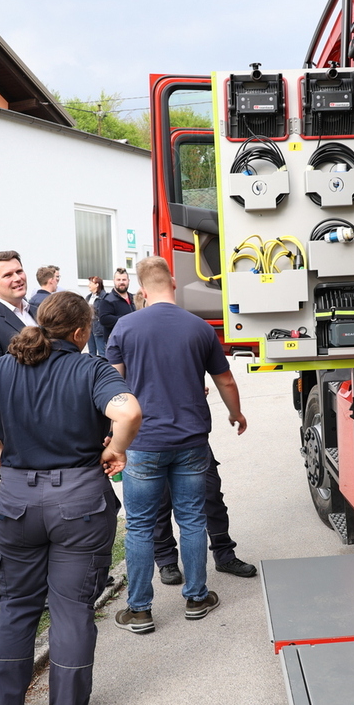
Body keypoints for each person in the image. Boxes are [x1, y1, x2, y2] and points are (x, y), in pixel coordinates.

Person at [0, 291, 141, 705]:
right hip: (79, 502)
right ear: (81, 332)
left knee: (15, 608)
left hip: (18, 502)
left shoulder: (4, 367)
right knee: (71, 609)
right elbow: (128, 411)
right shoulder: (92, 370)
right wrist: (116, 448)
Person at [106, 256, 246, 634]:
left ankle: (139, 610)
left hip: (142, 442)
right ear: (173, 281)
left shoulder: (124, 327)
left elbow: (113, 387)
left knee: (139, 527)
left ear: (141, 288)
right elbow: (225, 380)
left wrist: (114, 436)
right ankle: (197, 598)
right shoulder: (199, 327)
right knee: (193, 519)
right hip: (190, 440)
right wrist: (236, 414)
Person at [154, 450, 256, 585]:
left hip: (193, 442)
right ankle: (166, 560)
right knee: (160, 502)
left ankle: (224, 555)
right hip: (152, 445)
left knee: (211, 494)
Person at [97, 267, 135, 340]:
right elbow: (104, 319)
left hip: (133, 338)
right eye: (118, 280)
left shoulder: (134, 298)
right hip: (116, 341)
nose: (121, 282)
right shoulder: (107, 300)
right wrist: (127, 319)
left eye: (124, 280)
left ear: (128, 281)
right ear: (114, 281)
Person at [85, 276, 107, 356]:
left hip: (99, 328)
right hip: (89, 327)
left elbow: (102, 312)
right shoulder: (88, 297)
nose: (88, 285)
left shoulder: (104, 297)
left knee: (102, 352)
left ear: (97, 284)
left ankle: (103, 364)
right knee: (91, 352)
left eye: (91, 283)